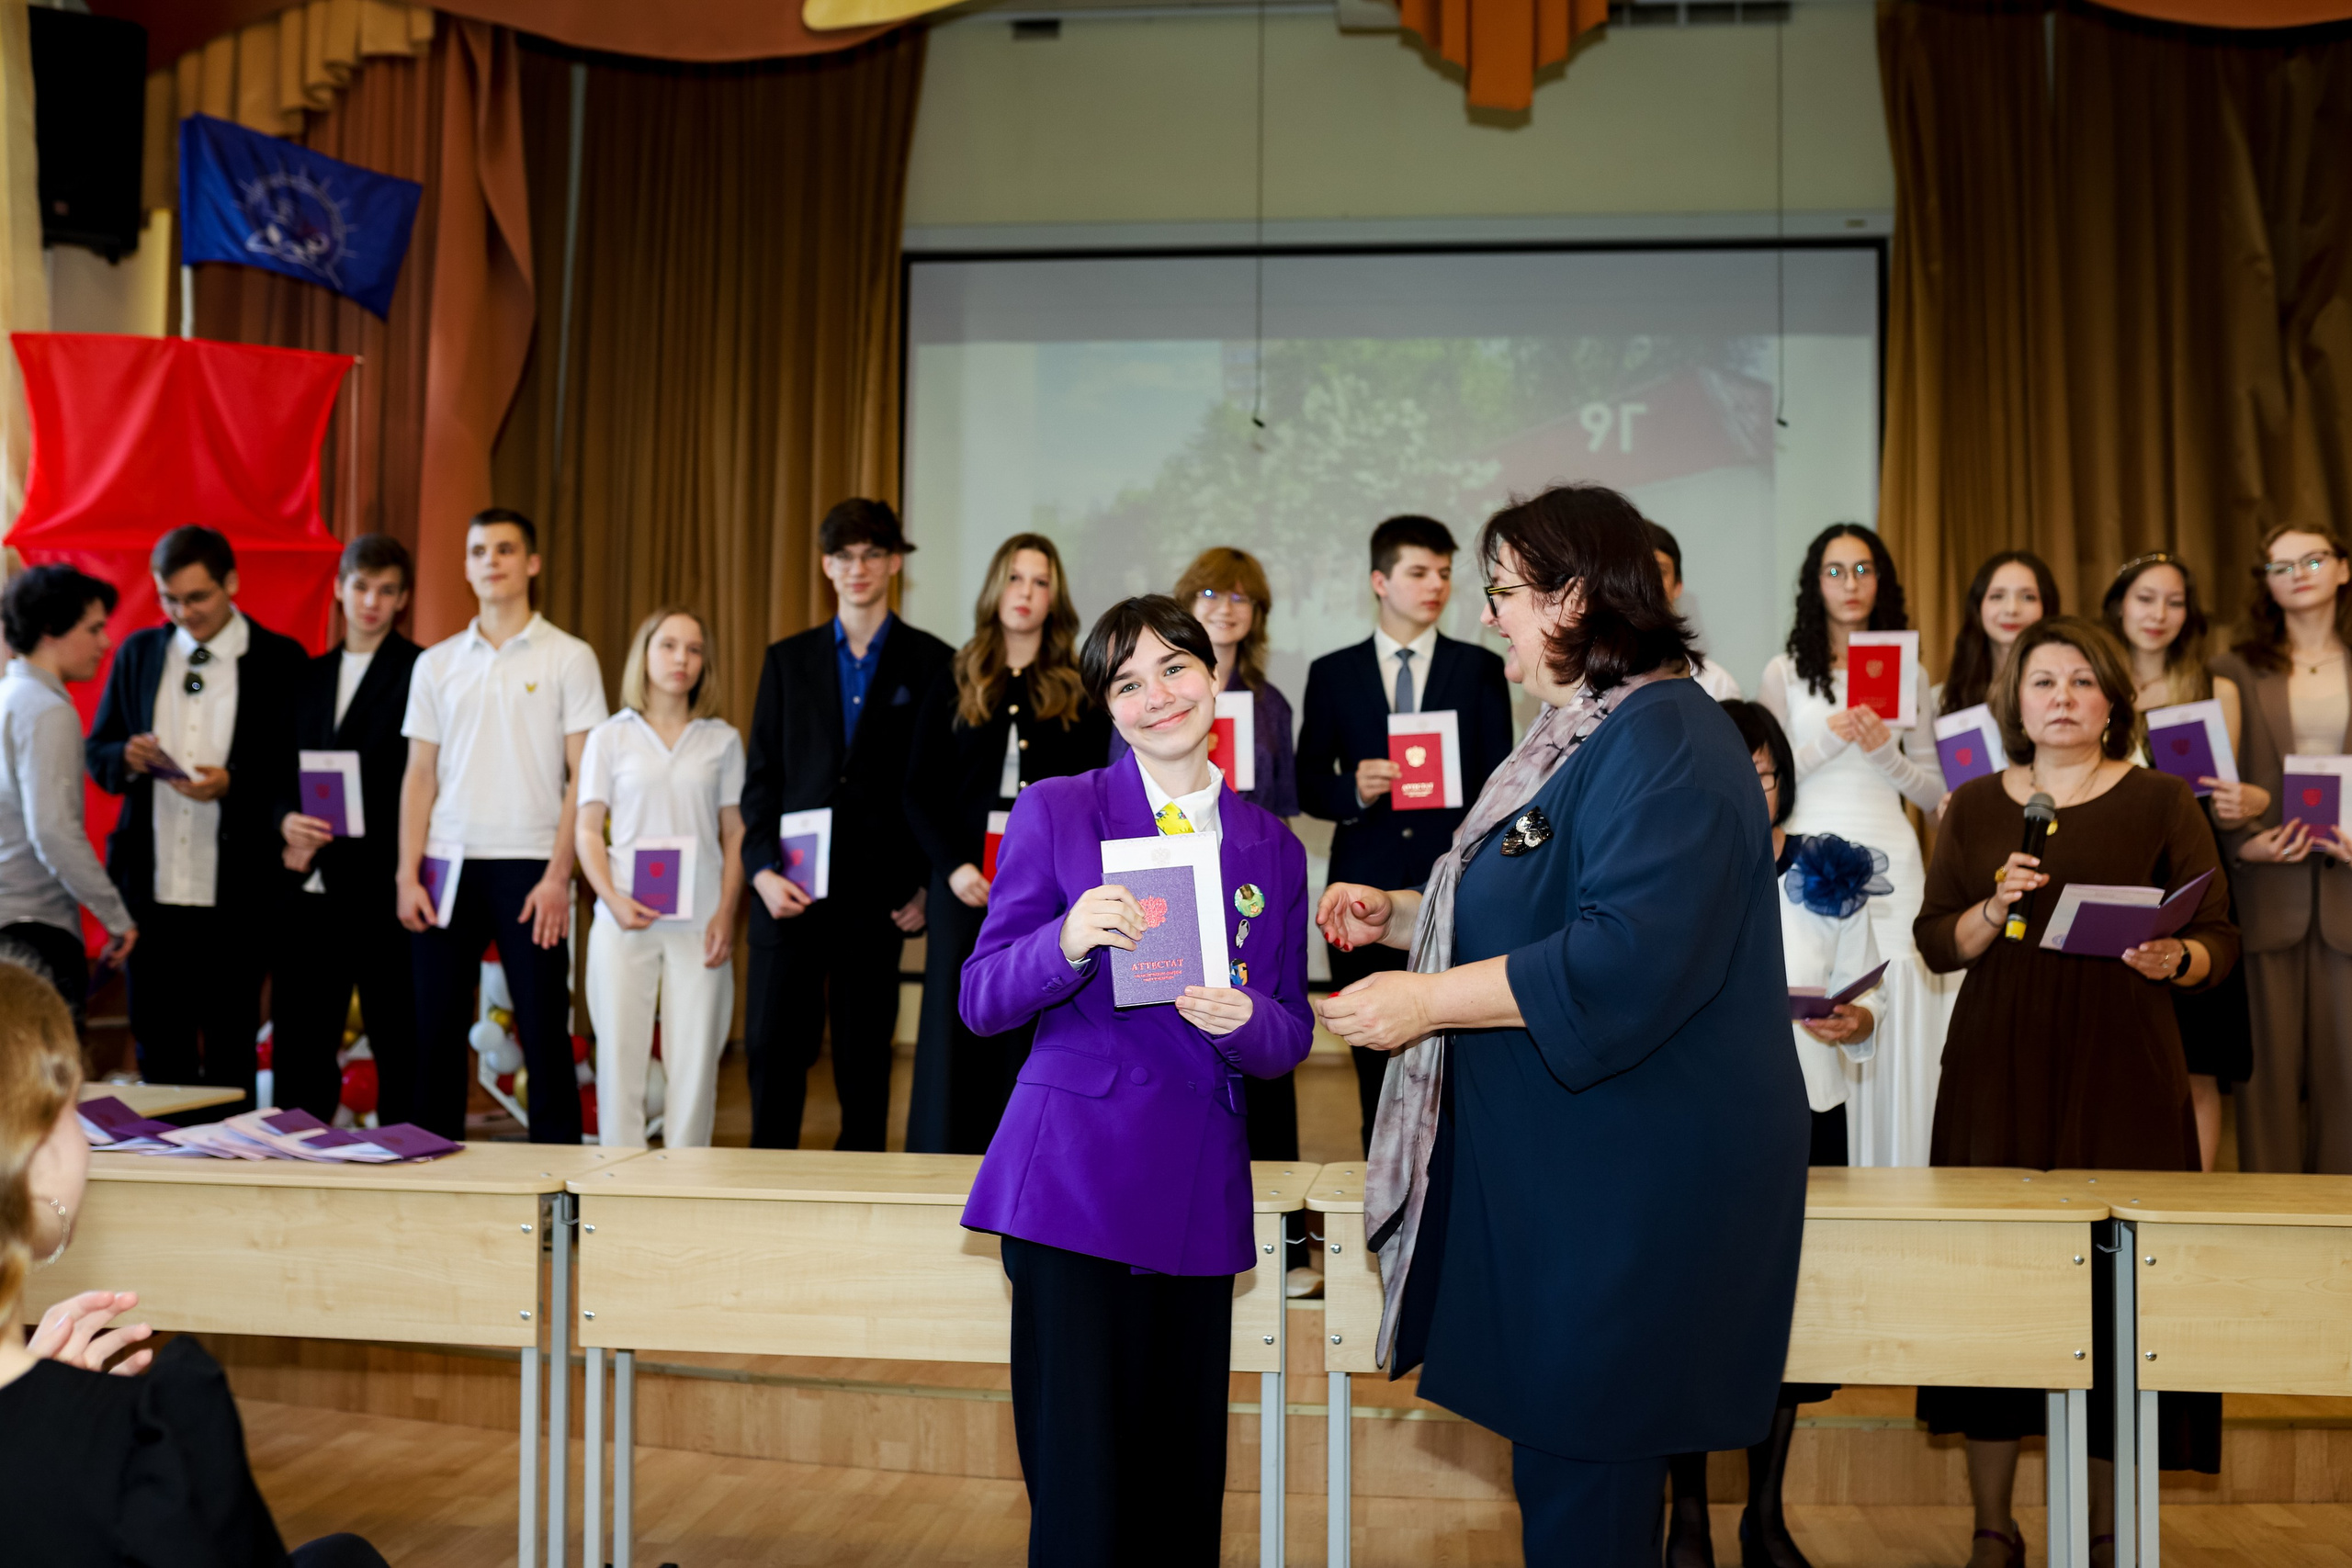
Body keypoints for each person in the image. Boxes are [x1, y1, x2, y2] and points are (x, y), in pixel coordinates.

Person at [1317, 484, 1807, 1568]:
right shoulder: (1587, 733)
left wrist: (1423, 1000)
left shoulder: (1667, 736)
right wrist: (1402, 915)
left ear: (1575, 598)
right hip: (1570, 1188)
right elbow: (1542, 899)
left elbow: (1620, 959)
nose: (1486, 615)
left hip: (1630, 1193)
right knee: (1564, 1479)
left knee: (1588, 1490)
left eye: (1502, 591)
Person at [956, 594, 1314, 1567]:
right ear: (1108, 707)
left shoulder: (1274, 847)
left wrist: (1247, 1022)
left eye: (1175, 668)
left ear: (1214, 674)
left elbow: (1289, 1032)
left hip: (1196, 1195)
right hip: (1071, 1190)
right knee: (1082, 1503)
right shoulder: (1059, 808)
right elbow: (981, 997)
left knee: (1178, 1497)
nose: (1157, 696)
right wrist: (1065, 941)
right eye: (1127, 682)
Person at [1915, 616, 2233, 1562]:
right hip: (1998, 1064)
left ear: (2111, 702)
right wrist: (1993, 906)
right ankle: (1992, 1525)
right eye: (2044, 681)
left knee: (2113, 1301)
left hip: (2122, 1064)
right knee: (1996, 1292)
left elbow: (2218, 935)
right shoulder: (1975, 804)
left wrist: (2177, 955)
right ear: (2014, 702)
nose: (2062, 697)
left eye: (2082, 681)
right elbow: (1936, 940)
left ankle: (2103, 1530)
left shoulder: (2162, 798)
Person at [0, 959, 390, 1567]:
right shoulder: (148, 1435)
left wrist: (41, 1394)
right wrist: (56, 1406)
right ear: (37, 1151)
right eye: (77, 1106)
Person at [1668, 699, 1885, 1568]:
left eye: (1763, 773)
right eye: (1733, 768)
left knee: (1789, 1320)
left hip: (1806, 1113)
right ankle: (1686, 1519)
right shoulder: (1664, 861)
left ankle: (1766, 1515)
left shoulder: (1828, 866)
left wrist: (1857, 1021)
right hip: (1695, 1121)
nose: (1750, 787)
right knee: (1686, 1317)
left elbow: (1866, 988)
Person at [1296, 514, 1513, 1156]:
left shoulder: (1480, 666)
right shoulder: (1333, 672)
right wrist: (1354, 789)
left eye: (1444, 573)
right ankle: (1381, 1191)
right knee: (1374, 1071)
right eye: (1419, 572)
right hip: (1364, 893)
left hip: (1456, 887)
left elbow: (1501, 784)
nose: (1436, 585)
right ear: (1379, 581)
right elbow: (1309, 785)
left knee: (1461, 1070)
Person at [741, 499, 951, 1150]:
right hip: (791, 892)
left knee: (865, 1067)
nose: (857, 568)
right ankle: (765, 1190)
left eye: (871, 554)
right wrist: (760, 870)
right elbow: (761, 780)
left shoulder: (933, 662)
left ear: (893, 564)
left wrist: (927, 883)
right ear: (826, 566)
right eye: (844, 556)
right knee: (775, 1053)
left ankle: (860, 1196)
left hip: (880, 899)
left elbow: (939, 787)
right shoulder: (786, 660)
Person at [397, 509, 607, 1145]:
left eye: (506, 549)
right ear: (466, 567)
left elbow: (584, 776)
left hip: (532, 866)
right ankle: (428, 1170)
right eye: (479, 551)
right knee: (433, 1034)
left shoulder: (570, 656)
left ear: (532, 563)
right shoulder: (435, 664)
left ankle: (558, 1175)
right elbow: (419, 775)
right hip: (445, 866)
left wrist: (559, 875)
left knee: (544, 1033)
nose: (492, 560)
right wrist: (406, 874)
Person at [85, 526, 305, 1113]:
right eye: (170, 599)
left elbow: (294, 772)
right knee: (159, 1047)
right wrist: (125, 756)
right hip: (152, 889)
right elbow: (98, 752)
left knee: (231, 1049)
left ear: (231, 583)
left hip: (238, 891)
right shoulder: (139, 653)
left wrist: (232, 784)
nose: (184, 612)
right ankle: (164, 1164)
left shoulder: (279, 659)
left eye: (197, 597)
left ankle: (227, 1163)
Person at [905, 534, 1106, 1156]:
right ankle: (943, 1155)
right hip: (963, 880)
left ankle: (1025, 1155)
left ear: (1055, 598)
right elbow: (918, 789)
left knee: (1030, 1010)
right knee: (953, 1018)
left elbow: (1092, 791)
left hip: (1046, 890)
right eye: (1016, 578)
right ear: (996, 587)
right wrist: (952, 867)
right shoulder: (953, 675)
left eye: (1040, 582)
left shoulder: (1077, 686)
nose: (1026, 593)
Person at [1758, 523, 1945, 1168]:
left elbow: (1933, 793)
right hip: (1808, 864)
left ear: (1881, 581)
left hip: (1893, 855)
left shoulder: (1910, 672)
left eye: (1863, 569)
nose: (1850, 584)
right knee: (1818, 1005)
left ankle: (1900, 1168)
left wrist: (1884, 753)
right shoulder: (1784, 671)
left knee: (1889, 998)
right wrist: (1829, 742)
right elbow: (1764, 776)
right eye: (1835, 571)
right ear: (1815, 585)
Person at [2104, 552, 2264, 1170]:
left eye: (2174, 602)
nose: (2159, 614)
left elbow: (2218, 801)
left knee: (2198, 1060)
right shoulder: (2091, 682)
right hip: (2113, 875)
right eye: (2146, 598)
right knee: (2117, 1053)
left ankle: (2192, 1199)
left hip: (2193, 878)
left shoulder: (2215, 690)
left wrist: (2247, 800)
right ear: (2120, 604)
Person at [2210, 525, 2352, 1175]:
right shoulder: (2235, 668)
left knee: (2347, 1080)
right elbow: (2215, 783)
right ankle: (2267, 1217)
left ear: (2343, 569)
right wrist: (2244, 844)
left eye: (2312, 559)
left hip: (2348, 889)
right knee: (2262, 1084)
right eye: (2279, 565)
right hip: (2267, 890)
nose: (2297, 573)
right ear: (2265, 582)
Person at [576, 609, 744, 1149]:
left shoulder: (722, 740)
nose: (681, 659)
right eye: (668, 645)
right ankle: (616, 1183)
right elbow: (586, 829)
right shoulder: (610, 736)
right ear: (644, 655)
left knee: (695, 1064)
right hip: (624, 918)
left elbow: (735, 833)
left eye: (694, 649)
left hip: (701, 921)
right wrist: (611, 898)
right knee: (618, 1060)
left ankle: (687, 1181)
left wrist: (725, 912)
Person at [273, 536, 424, 1125]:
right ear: (339, 589)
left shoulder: (422, 671)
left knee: (399, 1042)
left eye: (386, 591)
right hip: (307, 888)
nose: (371, 602)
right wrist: (285, 822)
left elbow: (425, 779)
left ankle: (408, 1161)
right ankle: (294, 1159)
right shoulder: (305, 677)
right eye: (361, 587)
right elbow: (275, 771)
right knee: (301, 1045)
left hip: (383, 887)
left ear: (403, 599)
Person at [0, 566, 135, 1026]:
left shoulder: (10, 695)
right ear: (51, 630)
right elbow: (53, 831)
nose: (105, 643)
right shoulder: (46, 709)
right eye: (94, 629)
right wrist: (116, 917)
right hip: (32, 930)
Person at [1936, 549, 2059, 718]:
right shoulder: (1943, 699)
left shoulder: (2063, 695)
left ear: (2047, 607)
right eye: (1997, 596)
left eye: (2028, 597)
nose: (2012, 609)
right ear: (1978, 607)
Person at [1650, 521, 1741, 699]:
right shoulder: (1598, 685)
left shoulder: (1717, 684)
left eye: (1660, 571)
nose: (1648, 583)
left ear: (1678, 585)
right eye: (1640, 572)